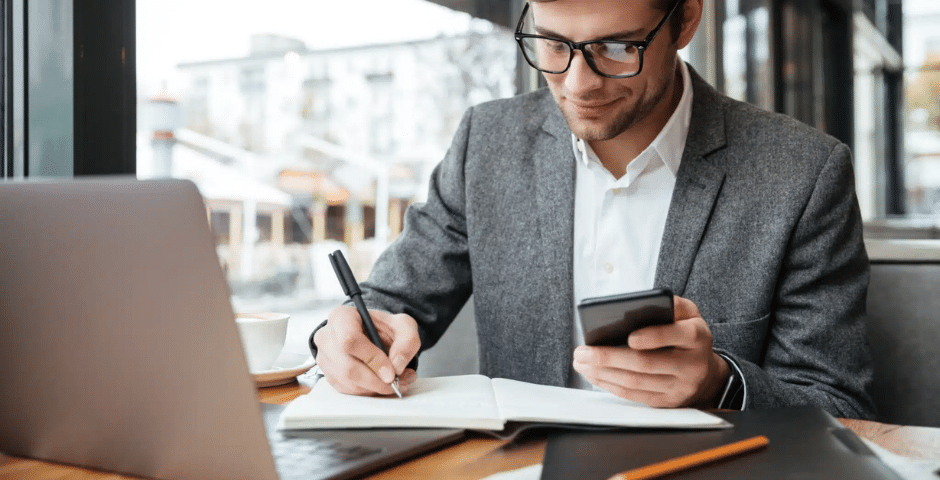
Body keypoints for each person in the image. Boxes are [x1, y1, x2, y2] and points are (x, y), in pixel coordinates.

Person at [310, 0, 876, 418]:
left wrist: (719, 383)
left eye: (616, 47)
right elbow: (390, 302)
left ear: (686, 21)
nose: (578, 83)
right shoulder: (488, 141)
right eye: (554, 44)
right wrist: (348, 336)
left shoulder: (801, 173)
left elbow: (840, 408)